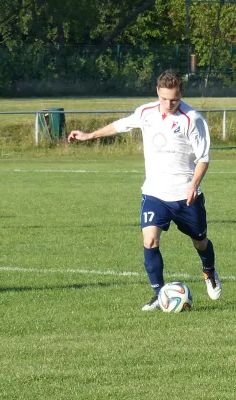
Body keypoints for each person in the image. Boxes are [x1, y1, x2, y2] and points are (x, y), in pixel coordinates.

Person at [67, 70, 221, 310]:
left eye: (174, 99)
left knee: (200, 242)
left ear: (181, 95)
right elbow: (121, 125)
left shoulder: (192, 119)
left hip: (185, 195)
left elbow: (203, 158)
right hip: (154, 193)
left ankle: (209, 271)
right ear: (157, 92)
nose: (169, 104)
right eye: (165, 99)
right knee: (150, 241)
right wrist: (90, 135)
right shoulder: (146, 113)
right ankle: (160, 295)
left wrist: (194, 184)